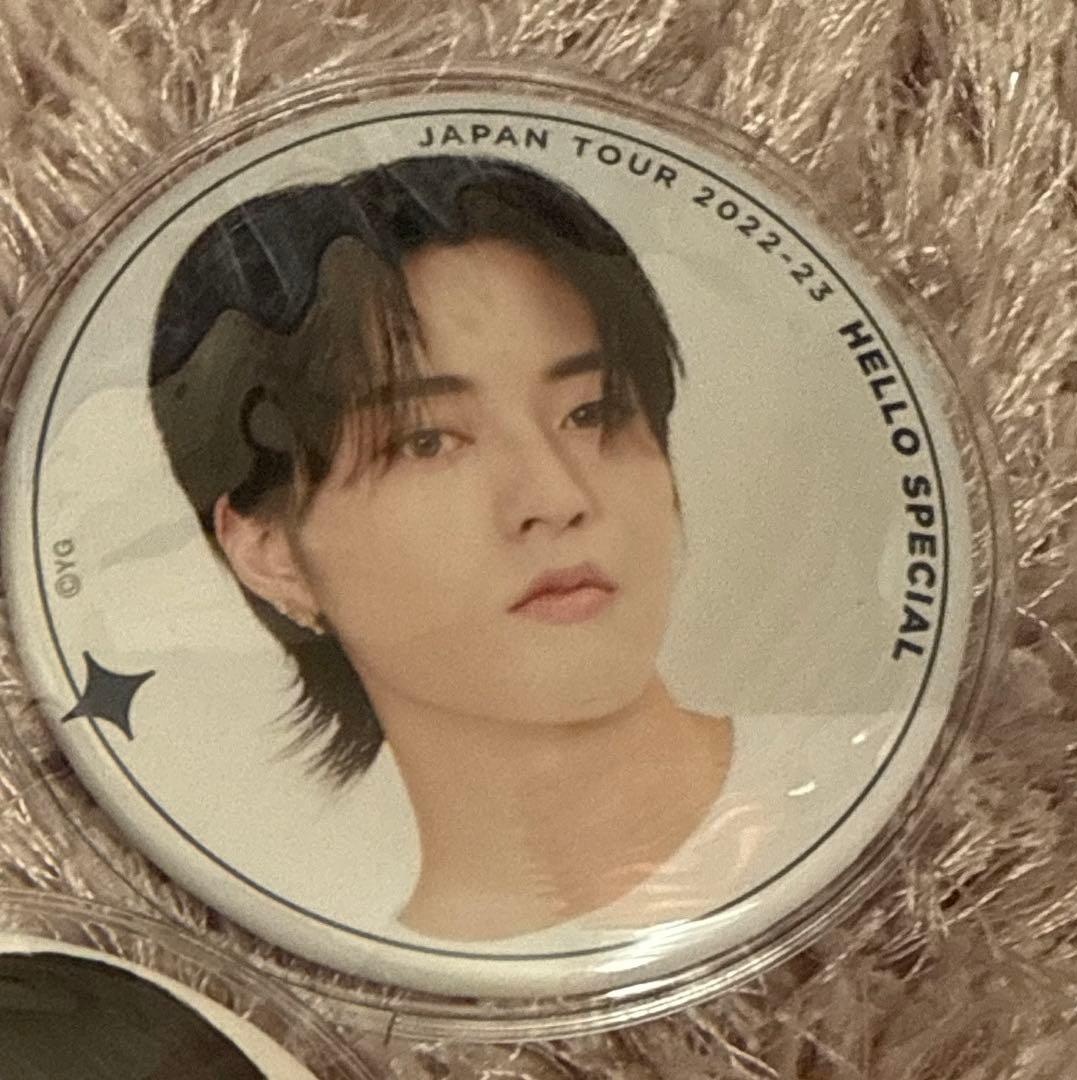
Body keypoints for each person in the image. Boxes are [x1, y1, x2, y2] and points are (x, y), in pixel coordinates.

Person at [149, 154, 733, 941]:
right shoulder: (333, 967)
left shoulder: (875, 792)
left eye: (592, 412)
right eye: (428, 441)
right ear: (271, 553)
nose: (556, 497)